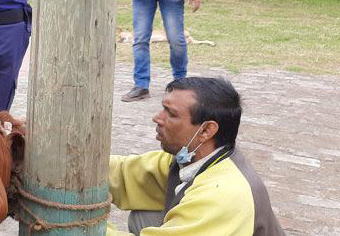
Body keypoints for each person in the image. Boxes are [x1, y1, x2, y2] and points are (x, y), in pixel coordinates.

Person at [108, 77, 284, 236]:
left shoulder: (222, 193)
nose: (157, 118)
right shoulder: (189, 159)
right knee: (146, 213)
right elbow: (122, 172)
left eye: (171, 113)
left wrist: (87, 228)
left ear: (206, 130)